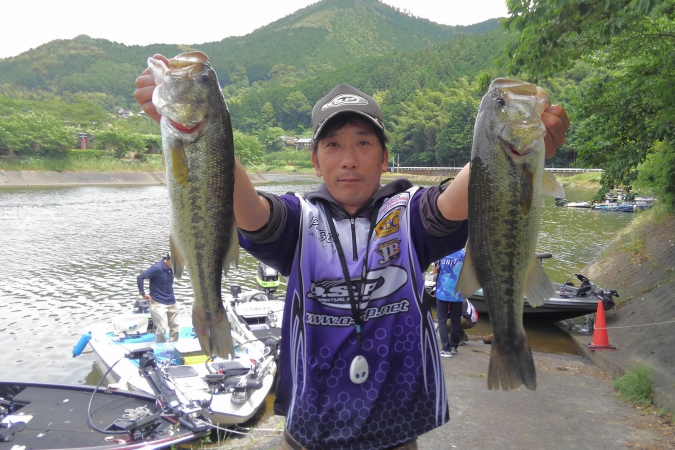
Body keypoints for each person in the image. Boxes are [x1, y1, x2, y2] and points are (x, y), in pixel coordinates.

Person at [135, 59, 568, 449]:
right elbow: (248, 211)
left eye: (363, 143)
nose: (349, 160)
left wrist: (513, 137)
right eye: (333, 145)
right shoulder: (298, 220)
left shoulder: (410, 214)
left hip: (397, 433)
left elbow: (461, 196)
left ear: (384, 157)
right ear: (315, 160)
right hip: (310, 433)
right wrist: (198, 130)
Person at [136, 253, 179, 343]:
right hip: (158, 302)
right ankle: (161, 350)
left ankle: (174, 348)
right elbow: (140, 277)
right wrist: (143, 293)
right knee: (162, 328)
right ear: (169, 260)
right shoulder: (157, 268)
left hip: (171, 300)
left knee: (175, 327)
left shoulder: (173, 268)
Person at [432, 248, 466, 357]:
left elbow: (435, 271)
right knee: (456, 320)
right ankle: (454, 347)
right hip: (457, 293)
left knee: (441, 320)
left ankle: (446, 349)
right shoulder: (464, 254)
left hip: (442, 291)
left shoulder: (442, 252)